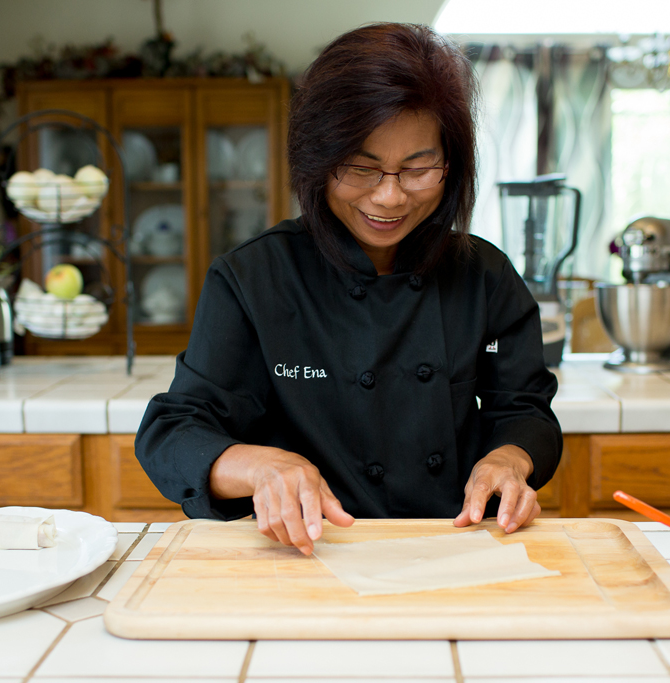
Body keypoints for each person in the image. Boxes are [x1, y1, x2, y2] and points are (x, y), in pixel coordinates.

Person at [136, 23, 563, 555]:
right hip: (308, 554)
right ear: (318, 160)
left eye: (417, 168)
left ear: (450, 166)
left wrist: (508, 460)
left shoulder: (483, 275)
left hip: (454, 551)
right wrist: (259, 466)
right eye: (361, 167)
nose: (388, 196)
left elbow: (523, 408)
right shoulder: (253, 278)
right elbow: (173, 431)